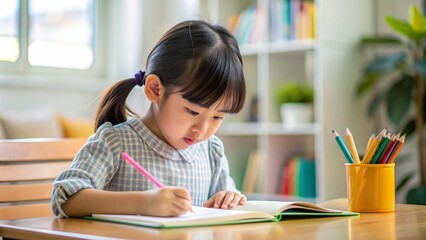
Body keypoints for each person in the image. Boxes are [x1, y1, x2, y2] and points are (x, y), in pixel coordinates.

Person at [51, 20, 247, 218]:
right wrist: (142, 203)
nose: (202, 129)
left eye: (217, 117)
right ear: (155, 90)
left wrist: (228, 198)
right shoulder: (115, 142)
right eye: (193, 112)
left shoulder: (211, 151)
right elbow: (66, 198)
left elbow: (224, 201)